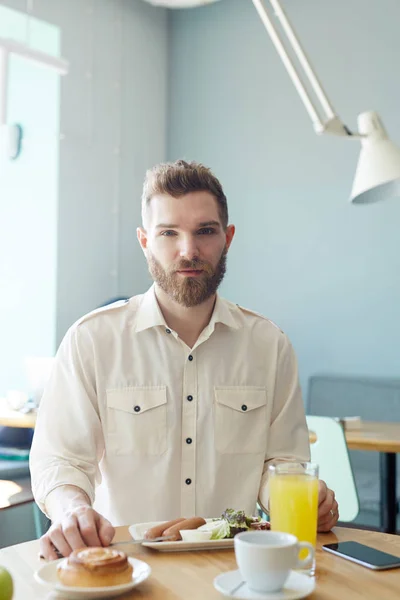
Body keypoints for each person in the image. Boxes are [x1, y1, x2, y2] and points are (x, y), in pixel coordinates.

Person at [30, 160, 339, 560]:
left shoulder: (270, 344)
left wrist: (302, 499)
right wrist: (72, 509)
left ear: (227, 238)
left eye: (205, 231)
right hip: (124, 567)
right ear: (145, 241)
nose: (188, 250)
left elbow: (281, 463)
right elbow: (60, 460)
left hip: (237, 566)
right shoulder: (91, 340)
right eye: (168, 233)